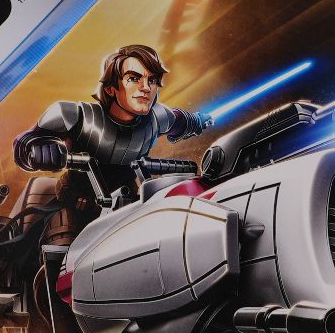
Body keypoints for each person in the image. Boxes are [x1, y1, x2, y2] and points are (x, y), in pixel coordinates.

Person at [12, 44, 211, 245]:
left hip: (126, 212)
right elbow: (24, 144)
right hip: (74, 212)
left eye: (151, 80)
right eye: (134, 78)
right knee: (58, 256)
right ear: (110, 88)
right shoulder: (77, 116)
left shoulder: (158, 118)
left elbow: (183, 122)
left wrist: (199, 121)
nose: (146, 87)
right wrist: (41, 148)